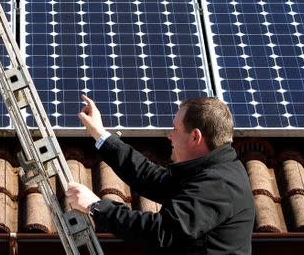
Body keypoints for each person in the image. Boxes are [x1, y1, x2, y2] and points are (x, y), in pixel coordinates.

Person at [66, 95, 254, 254]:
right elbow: (151, 177)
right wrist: (100, 134)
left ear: (195, 137)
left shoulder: (220, 184)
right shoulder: (210, 170)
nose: (170, 136)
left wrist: (97, 207)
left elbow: (161, 231)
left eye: (175, 129)